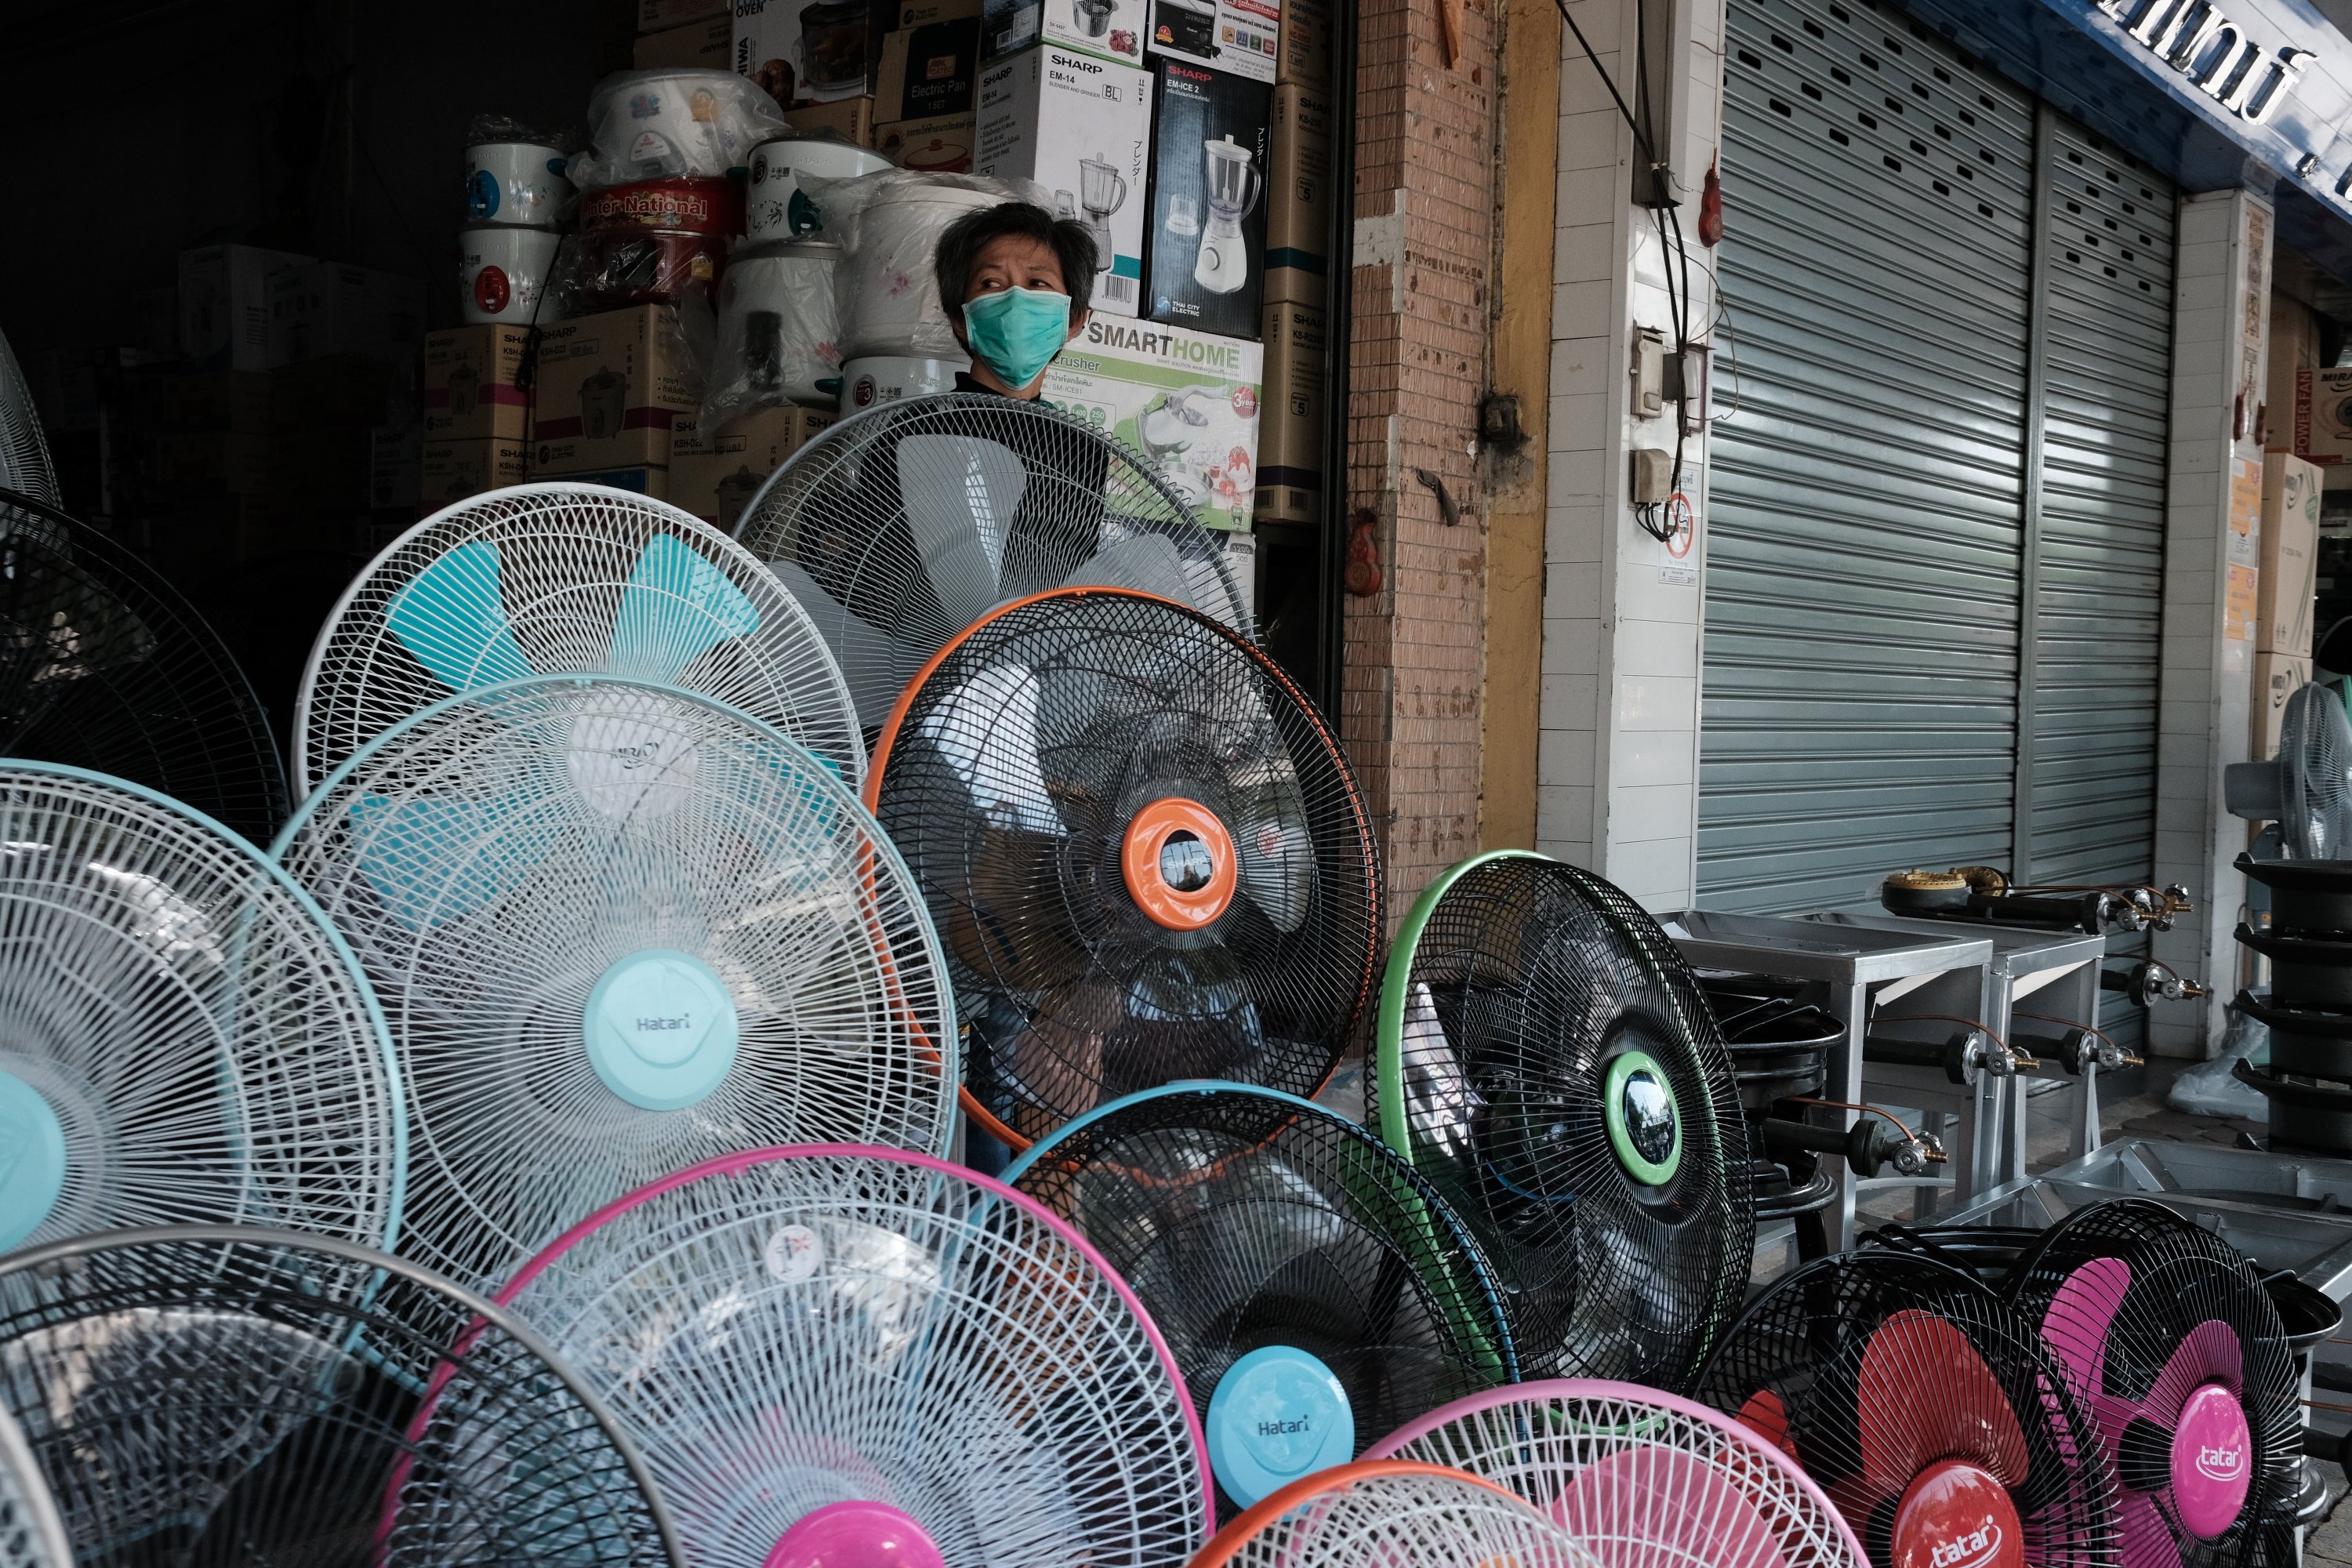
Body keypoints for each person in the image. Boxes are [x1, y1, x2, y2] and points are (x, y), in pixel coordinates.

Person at [931, 201, 1098, 398]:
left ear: (1073, 320)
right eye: (992, 283)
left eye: (1037, 283)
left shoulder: (1061, 421)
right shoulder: (921, 419)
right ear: (960, 319)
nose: (1015, 300)